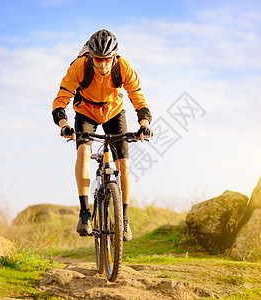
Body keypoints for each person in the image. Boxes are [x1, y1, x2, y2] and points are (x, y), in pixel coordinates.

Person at [52, 29, 152, 241]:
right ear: (91, 56)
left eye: (107, 59)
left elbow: (137, 97)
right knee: (83, 152)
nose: (103, 64)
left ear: (114, 56)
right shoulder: (80, 67)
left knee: (123, 163)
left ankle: (124, 219)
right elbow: (61, 99)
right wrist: (64, 125)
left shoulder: (122, 66)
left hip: (114, 112)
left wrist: (144, 125)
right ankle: (85, 213)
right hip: (86, 112)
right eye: (98, 59)